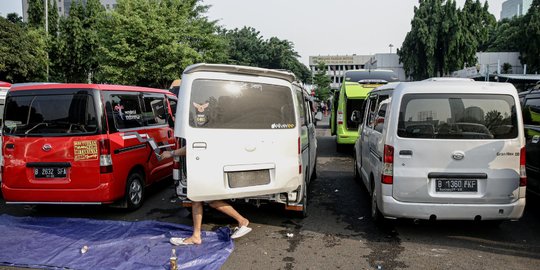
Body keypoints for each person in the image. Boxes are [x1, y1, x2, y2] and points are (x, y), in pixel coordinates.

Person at [160, 147, 252, 245]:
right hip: (207, 165)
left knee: (201, 199)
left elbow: (193, 146)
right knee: (203, 200)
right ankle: (196, 236)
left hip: (205, 166)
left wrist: (172, 153)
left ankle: (241, 220)